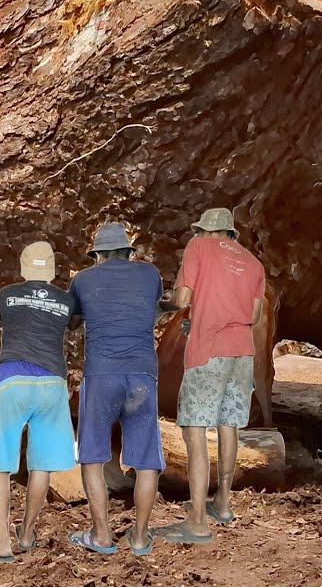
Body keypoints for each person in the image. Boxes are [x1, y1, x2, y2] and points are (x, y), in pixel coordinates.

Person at [157, 208, 265, 544]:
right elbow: (253, 315)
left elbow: (181, 299)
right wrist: (201, 320)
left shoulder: (198, 248)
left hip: (210, 351)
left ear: (205, 231)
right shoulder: (253, 263)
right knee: (228, 424)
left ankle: (198, 521)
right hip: (242, 352)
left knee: (194, 429)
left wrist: (160, 306)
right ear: (231, 234)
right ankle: (222, 502)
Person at [0, 241, 77, 564]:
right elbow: (71, 324)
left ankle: (1, 541)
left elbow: (0, 322)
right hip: (53, 383)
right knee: (41, 462)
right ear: (52, 269)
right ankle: (27, 533)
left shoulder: (6, 294)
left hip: (13, 378)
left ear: (24, 267)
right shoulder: (66, 300)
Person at [69, 222, 164, 556]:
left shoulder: (82, 279)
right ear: (127, 252)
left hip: (101, 375)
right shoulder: (150, 274)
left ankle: (102, 536)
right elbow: (151, 311)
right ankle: (139, 538)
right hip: (142, 374)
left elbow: (72, 322)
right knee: (147, 460)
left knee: (92, 457)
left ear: (97, 256)